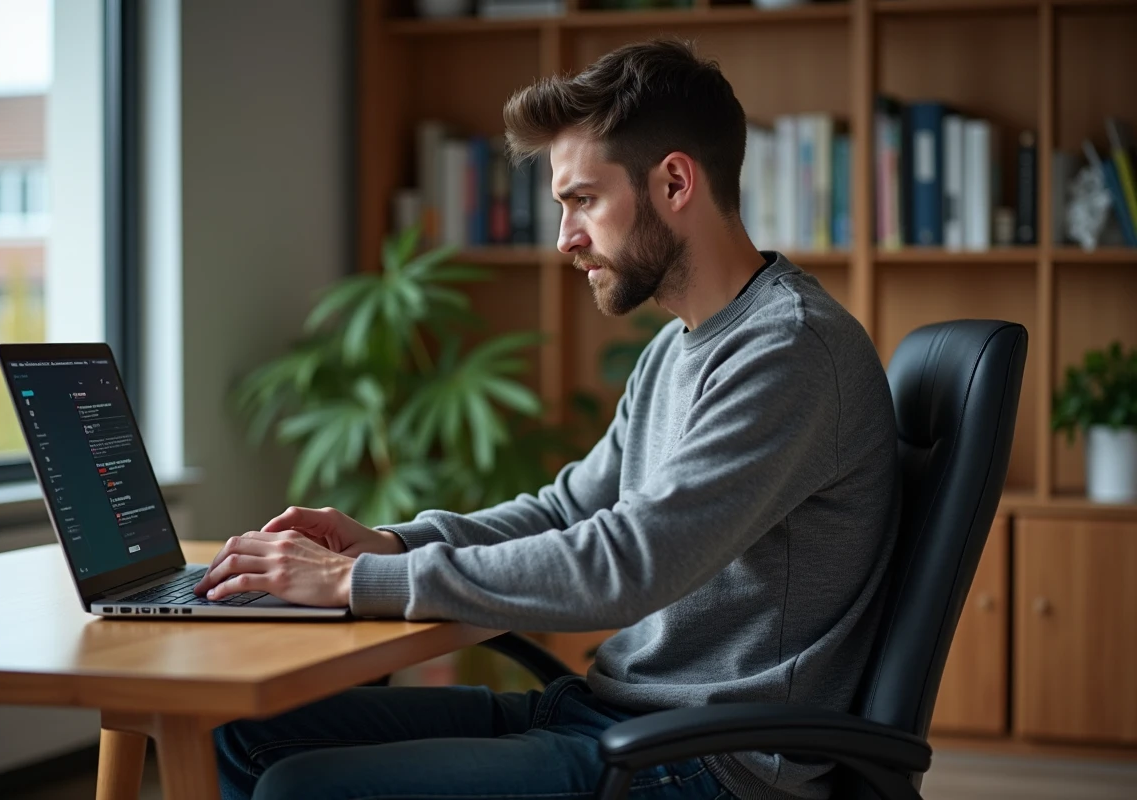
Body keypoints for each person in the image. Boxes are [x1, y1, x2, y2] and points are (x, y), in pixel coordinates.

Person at [198, 38, 900, 800]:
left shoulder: (788, 352)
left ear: (673, 182)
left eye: (584, 201)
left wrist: (361, 580)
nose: (565, 237)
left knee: (302, 787)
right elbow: (569, 509)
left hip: (708, 760)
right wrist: (395, 541)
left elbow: (628, 564)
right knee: (236, 735)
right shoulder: (680, 348)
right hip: (614, 717)